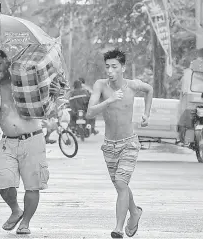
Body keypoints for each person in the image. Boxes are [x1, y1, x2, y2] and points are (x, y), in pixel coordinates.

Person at [0, 49, 49, 235]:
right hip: (8, 142)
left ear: (8, 63)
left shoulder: (26, 81)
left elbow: (46, 101)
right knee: (3, 180)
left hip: (33, 139)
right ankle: (16, 210)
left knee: (32, 185)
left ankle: (25, 222)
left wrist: (53, 92)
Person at [86, 49, 153, 238]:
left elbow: (149, 89)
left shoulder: (132, 86)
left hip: (129, 143)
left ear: (123, 67)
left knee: (121, 183)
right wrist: (110, 100)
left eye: (114, 66)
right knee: (120, 185)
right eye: (107, 66)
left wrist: (147, 113)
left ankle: (118, 228)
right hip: (109, 145)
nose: (110, 70)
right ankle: (135, 212)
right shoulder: (100, 85)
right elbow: (90, 112)